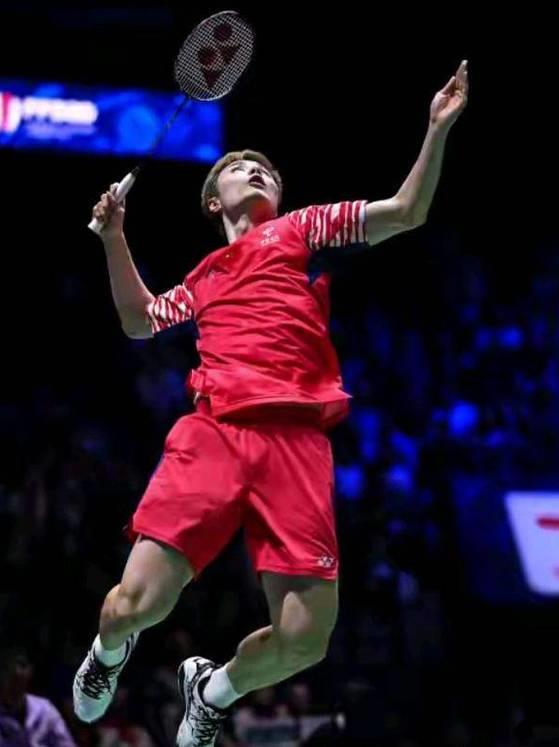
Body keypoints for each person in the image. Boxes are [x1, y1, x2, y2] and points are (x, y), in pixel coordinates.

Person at [74, 61, 469, 747]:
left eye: (266, 169)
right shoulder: (202, 278)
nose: (256, 170)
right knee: (136, 605)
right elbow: (138, 321)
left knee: (304, 639)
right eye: (238, 167)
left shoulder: (301, 230)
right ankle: (107, 654)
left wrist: (436, 129)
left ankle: (213, 690)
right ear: (212, 201)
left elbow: (407, 212)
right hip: (215, 433)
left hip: (296, 443)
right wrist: (114, 236)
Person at [0, 647, 75, 747]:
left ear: (31, 670)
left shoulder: (45, 710)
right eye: (8, 666)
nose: (17, 671)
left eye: (22, 665)